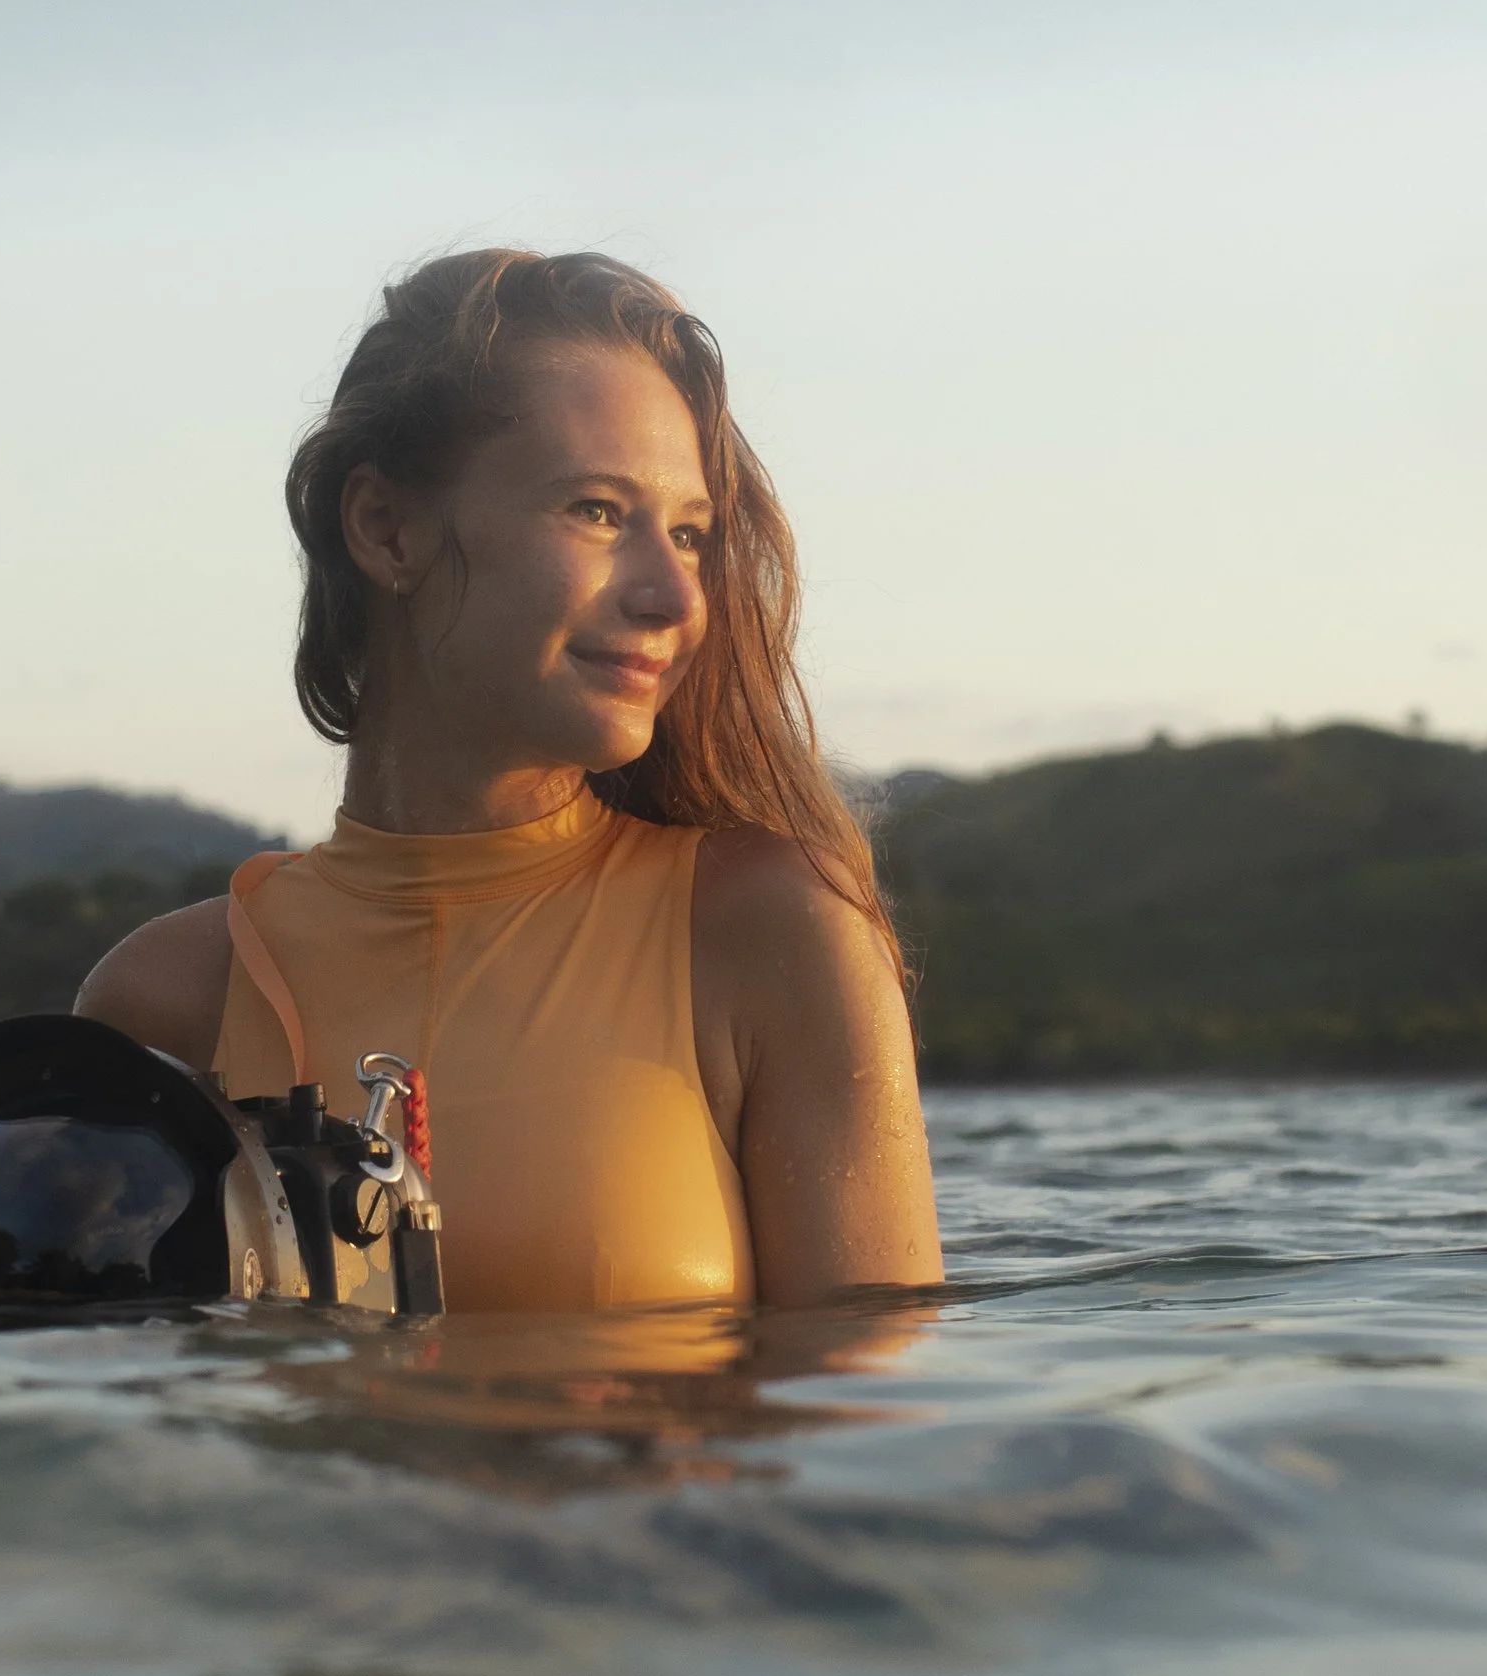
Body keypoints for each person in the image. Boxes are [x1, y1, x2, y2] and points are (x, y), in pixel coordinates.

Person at [78, 248, 941, 1312]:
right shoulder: (164, 998)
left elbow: (862, 1437)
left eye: (689, 531)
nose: (674, 593)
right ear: (386, 529)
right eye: (595, 510)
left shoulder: (775, 934)